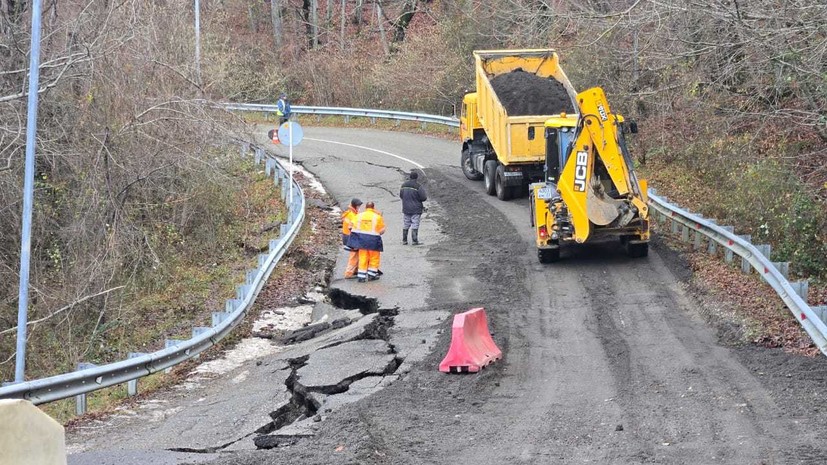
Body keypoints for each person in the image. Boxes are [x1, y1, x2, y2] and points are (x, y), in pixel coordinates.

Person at [347, 201, 386, 282]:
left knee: (363, 257)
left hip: (361, 240)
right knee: (374, 257)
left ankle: (361, 276)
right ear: (373, 208)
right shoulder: (377, 217)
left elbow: (350, 226)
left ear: (366, 208)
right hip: (373, 240)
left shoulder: (359, 216)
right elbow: (382, 230)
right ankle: (372, 275)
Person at [399, 170, 428, 245]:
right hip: (416, 209)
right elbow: (423, 197)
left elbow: (401, 196)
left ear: (410, 177)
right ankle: (414, 241)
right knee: (415, 224)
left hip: (406, 208)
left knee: (406, 223)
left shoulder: (403, 185)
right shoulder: (418, 186)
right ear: (416, 178)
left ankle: (404, 240)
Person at [341, 198, 362, 279]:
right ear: (355, 206)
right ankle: (349, 273)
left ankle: (355, 270)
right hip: (351, 237)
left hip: (346, 236)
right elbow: (355, 227)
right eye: (358, 206)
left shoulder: (349, 213)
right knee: (354, 255)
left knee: (357, 253)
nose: (359, 208)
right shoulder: (352, 215)